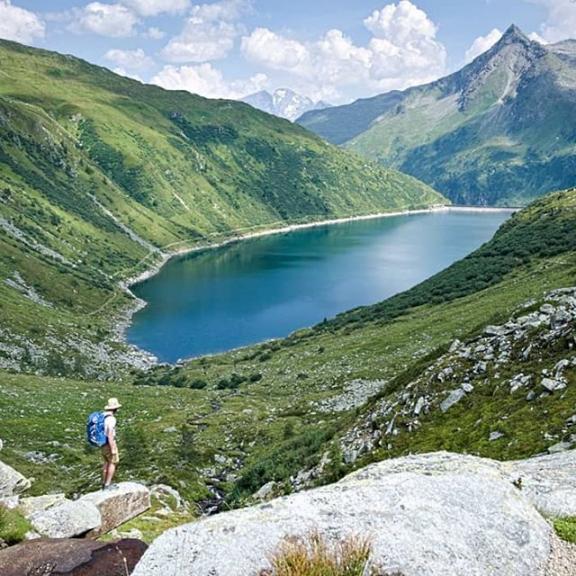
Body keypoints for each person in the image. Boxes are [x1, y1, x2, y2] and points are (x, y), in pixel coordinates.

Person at [102, 397, 121, 490]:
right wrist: (113, 447)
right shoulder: (111, 419)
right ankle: (107, 484)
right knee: (113, 462)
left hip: (102, 443)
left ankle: (104, 483)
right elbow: (110, 433)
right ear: (115, 408)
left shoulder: (103, 416)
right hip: (109, 443)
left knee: (106, 462)